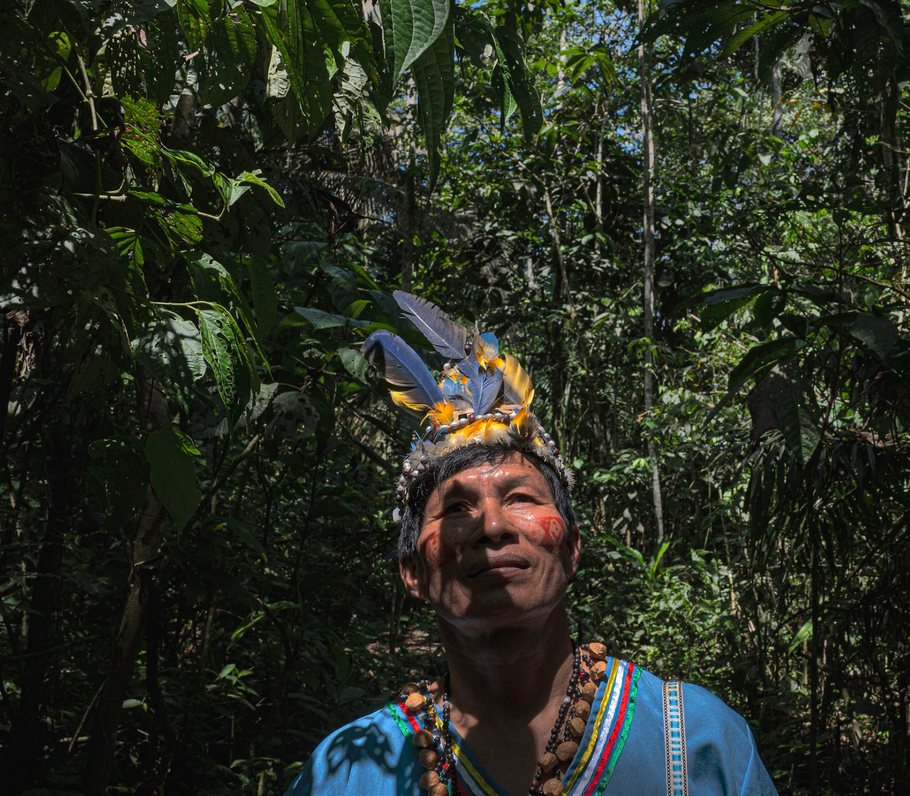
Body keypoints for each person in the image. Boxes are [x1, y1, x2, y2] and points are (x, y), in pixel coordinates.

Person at [285, 292, 778, 796]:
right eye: (455, 509)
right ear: (412, 570)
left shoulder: (696, 745)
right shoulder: (348, 771)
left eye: (520, 497)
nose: (491, 525)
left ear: (571, 547)